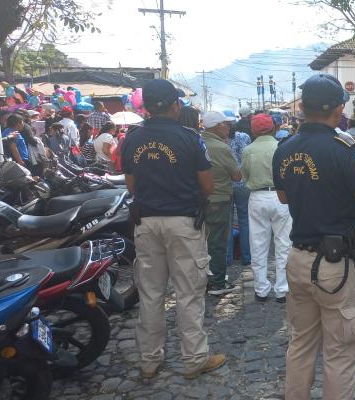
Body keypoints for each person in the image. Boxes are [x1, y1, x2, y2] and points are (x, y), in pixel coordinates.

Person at [272, 73, 355, 400]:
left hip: (298, 258)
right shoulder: (343, 148)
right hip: (335, 265)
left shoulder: (284, 147)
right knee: (340, 350)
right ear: (338, 109)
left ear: (302, 107)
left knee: (301, 343)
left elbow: (283, 198)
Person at [120, 79, 226, 380]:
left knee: (150, 293)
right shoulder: (190, 138)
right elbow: (207, 185)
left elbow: (131, 184)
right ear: (175, 105)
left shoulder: (132, 138)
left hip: (145, 222)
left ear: (147, 107)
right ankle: (194, 360)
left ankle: (149, 361)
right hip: (182, 223)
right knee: (189, 293)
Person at [241, 114, 290, 303]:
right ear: (274, 128)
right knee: (283, 244)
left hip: (257, 197)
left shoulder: (248, 150)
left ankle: (261, 289)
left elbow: (245, 175)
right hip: (280, 197)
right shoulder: (281, 147)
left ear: (253, 131)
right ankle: (282, 289)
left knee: (258, 244)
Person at [200, 110, 241, 295]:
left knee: (202, 241)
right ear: (218, 127)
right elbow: (236, 175)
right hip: (219, 199)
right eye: (227, 125)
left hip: (199, 200)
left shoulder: (198, 142)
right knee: (217, 243)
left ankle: (204, 278)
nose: (229, 128)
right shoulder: (220, 148)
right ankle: (217, 282)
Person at [226, 114, 253, 269]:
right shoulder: (243, 138)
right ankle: (246, 257)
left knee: (228, 222)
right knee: (244, 220)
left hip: (227, 183)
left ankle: (228, 258)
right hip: (242, 182)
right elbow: (245, 157)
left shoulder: (219, 140)